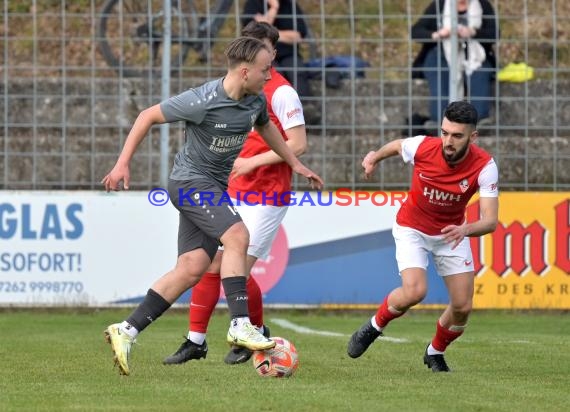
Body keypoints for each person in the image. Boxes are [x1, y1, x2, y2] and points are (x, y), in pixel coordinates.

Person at [101, 36, 323, 376]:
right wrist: (122, 164)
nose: (270, 75)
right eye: (265, 69)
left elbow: (268, 131)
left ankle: (126, 330)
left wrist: (294, 163)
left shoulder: (255, 100)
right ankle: (239, 323)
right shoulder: (203, 100)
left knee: (192, 268)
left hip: (212, 187)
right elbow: (147, 116)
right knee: (237, 235)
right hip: (189, 182)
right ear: (245, 71)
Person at [162, 21, 308, 366]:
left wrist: (252, 161)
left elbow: (298, 144)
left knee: (234, 267)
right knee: (213, 263)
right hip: (234, 188)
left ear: (270, 52)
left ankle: (251, 332)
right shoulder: (237, 88)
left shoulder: (282, 92)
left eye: (259, 48)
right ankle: (198, 339)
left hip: (268, 195)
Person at [347, 101, 498, 372]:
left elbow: (490, 221)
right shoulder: (423, 147)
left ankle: (435, 351)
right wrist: (373, 157)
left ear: (472, 137)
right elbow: (396, 146)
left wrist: (464, 229)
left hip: (452, 233)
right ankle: (374, 326)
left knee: (462, 307)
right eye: (445, 132)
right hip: (412, 228)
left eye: (457, 136)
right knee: (415, 291)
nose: (448, 141)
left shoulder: (485, 166)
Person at [411, 0, 498, 127]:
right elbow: (416, 31)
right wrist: (438, 34)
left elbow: (495, 33)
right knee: (439, 73)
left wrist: (473, 32)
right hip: (441, 52)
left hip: (474, 53)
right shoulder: (439, 4)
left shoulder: (483, 5)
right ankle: (439, 122)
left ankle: (480, 121)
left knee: (480, 72)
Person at [241, 0, 320, 125]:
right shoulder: (253, 4)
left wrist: (269, 31)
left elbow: (298, 36)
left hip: (289, 54)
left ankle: (306, 109)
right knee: (273, 74)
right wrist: (274, 8)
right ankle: (272, 113)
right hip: (262, 56)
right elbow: (254, 36)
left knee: (297, 70)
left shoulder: (290, 5)